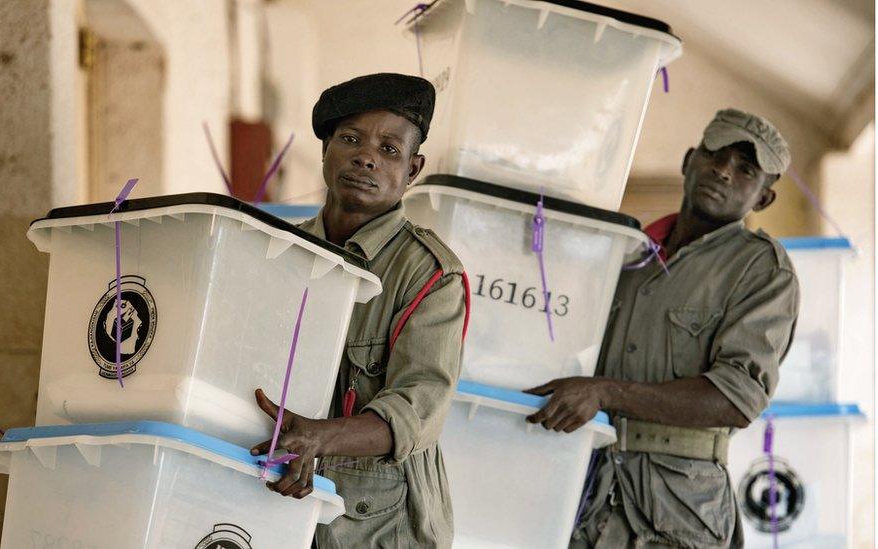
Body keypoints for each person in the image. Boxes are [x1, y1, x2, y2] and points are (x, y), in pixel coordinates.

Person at [525, 108, 800, 548]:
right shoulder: (628, 253)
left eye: (746, 170)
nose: (723, 172)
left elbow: (736, 398)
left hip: (679, 508)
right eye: (715, 155)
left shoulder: (762, 269)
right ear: (689, 160)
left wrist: (606, 392)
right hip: (585, 491)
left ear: (763, 199)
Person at [249, 73, 470, 548]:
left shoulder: (431, 274)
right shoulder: (278, 254)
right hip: (274, 499)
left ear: (413, 170)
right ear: (327, 149)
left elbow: (418, 408)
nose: (365, 156)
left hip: (381, 522)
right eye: (350, 139)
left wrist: (320, 439)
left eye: (389, 150)